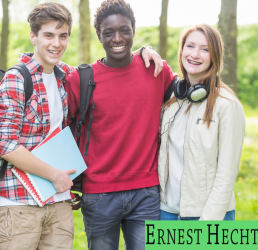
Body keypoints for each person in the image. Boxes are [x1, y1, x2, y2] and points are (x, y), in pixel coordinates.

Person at [0, 2, 163, 249]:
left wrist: (145, 49)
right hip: (20, 204)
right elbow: (5, 144)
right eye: (48, 35)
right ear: (33, 36)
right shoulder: (17, 78)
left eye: (63, 36)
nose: (56, 43)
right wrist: (55, 175)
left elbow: (113, 67)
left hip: (58, 203)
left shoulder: (67, 76)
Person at [64, 0, 178, 249]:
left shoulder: (156, 71)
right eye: (109, 32)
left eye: (124, 30)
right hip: (99, 194)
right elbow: (60, 129)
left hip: (146, 191)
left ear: (134, 30)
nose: (117, 38)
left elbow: (186, 94)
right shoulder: (80, 80)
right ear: (98, 36)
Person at [158, 24, 245, 221]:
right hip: (167, 213)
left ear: (215, 56)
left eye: (205, 49)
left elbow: (227, 174)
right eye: (190, 46)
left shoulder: (227, 105)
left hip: (207, 216)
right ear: (181, 50)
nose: (195, 54)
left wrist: (207, 223)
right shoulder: (174, 99)